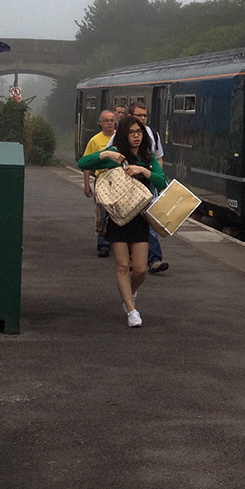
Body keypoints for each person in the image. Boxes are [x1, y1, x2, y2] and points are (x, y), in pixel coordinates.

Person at [78, 115, 167, 327]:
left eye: (139, 132)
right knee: (122, 265)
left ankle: (130, 293)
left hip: (140, 218)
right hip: (118, 217)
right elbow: (83, 163)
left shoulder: (148, 158)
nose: (136, 136)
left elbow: (162, 181)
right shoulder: (115, 156)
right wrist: (105, 154)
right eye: (131, 132)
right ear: (123, 135)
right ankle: (131, 311)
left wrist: (144, 170)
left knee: (140, 270)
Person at [129, 102, 169, 274]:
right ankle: (133, 259)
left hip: (149, 182)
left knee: (151, 222)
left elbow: (158, 158)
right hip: (129, 187)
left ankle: (155, 260)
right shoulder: (119, 136)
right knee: (130, 222)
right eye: (139, 116)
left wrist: (156, 177)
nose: (143, 119)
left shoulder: (153, 134)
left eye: (145, 115)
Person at [82, 110, 117, 257]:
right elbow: (87, 163)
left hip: (118, 180)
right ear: (101, 123)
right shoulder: (95, 141)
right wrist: (87, 184)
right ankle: (103, 245)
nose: (109, 123)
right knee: (102, 213)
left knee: (118, 213)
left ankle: (118, 243)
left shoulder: (119, 138)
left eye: (111, 120)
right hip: (102, 179)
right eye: (106, 120)